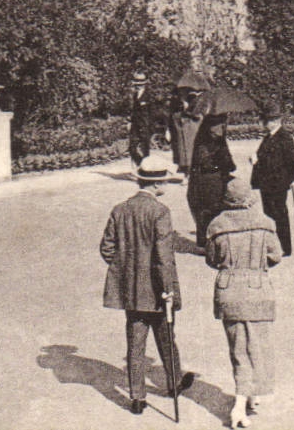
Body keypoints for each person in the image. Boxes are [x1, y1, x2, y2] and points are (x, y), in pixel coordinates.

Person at [101, 154, 197, 415]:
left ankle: (137, 397)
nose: (166, 184)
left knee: (135, 342)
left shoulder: (120, 209)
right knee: (166, 337)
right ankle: (174, 382)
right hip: (156, 290)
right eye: (165, 180)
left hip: (131, 290)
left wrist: (126, 271)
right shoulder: (159, 212)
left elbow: (107, 249)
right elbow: (164, 259)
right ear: (156, 184)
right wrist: (168, 290)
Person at [205, 178, 283, 428]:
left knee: (238, 348)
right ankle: (243, 403)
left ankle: (246, 395)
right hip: (258, 290)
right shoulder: (265, 223)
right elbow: (275, 256)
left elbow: (212, 259)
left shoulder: (216, 226)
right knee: (258, 346)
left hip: (229, 291)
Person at [249, 101, 294, 256]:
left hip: (277, 184)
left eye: (267, 120)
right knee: (269, 214)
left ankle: (284, 248)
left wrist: (287, 181)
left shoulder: (284, 138)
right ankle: (274, 246)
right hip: (267, 183)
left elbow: (293, 163)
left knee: (279, 215)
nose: (264, 123)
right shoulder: (269, 137)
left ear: (276, 121)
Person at [188, 112, 236, 248]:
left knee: (215, 212)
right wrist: (221, 162)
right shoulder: (204, 141)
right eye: (221, 124)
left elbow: (227, 159)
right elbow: (205, 162)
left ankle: (213, 242)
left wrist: (228, 164)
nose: (223, 127)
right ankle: (206, 243)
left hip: (217, 180)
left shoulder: (218, 139)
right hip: (207, 181)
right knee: (207, 212)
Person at [170, 88, 204, 174]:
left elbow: (198, 113)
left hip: (192, 123)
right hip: (183, 123)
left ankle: (189, 170)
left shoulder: (198, 96)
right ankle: (185, 168)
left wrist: (187, 107)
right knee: (183, 147)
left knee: (190, 147)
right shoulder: (179, 97)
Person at [128, 72, 155, 166]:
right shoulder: (135, 95)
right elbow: (134, 111)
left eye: (141, 83)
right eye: (137, 83)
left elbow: (152, 113)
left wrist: (151, 127)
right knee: (132, 148)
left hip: (145, 126)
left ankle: (146, 170)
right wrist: (130, 122)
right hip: (135, 125)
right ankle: (140, 165)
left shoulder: (149, 95)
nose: (138, 85)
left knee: (145, 150)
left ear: (145, 83)